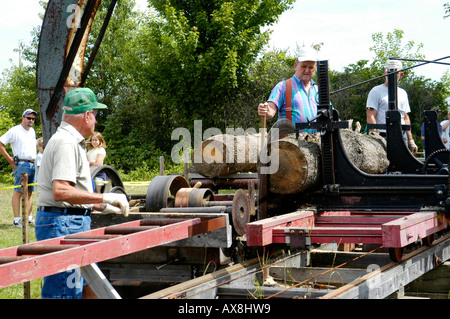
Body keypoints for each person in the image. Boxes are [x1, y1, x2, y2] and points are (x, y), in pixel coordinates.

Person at [35, 87, 129, 299]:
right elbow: (61, 191)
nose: (96, 121)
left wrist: (101, 206)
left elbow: (72, 194)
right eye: (95, 115)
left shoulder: (70, 141)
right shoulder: (67, 143)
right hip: (63, 223)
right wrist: (105, 196)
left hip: (69, 220)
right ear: (87, 115)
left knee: (83, 287)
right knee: (63, 292)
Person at [258, 47, 318, 132]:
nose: (307, 70)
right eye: (304, 66)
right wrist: (266, 110)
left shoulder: (318, 90)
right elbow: (270, 110)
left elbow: (332, 114)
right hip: (291, 143)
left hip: (316, 143)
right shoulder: (283, 87)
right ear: (295, 65)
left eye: (311, 67)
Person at [366, 59, 418, 153]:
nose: (389, 75)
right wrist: (376, 136)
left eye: (394, 73)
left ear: (401, 75)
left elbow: (405, 117)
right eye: (388, 72)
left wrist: (410, 140)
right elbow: (370, 115)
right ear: (384, 72)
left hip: (401, 137)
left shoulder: (403, 93)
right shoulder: (376, 91)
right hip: (382, 136)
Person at [0, 109, 37, 228]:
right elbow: (1, 143)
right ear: (23, 118)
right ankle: (17, 220)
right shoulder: (15, 130)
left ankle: (29, 218)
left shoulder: (32, 131)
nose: (31, 120)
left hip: (33, 163)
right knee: (18, 192)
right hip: (21, 164)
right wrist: (10, 160)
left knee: (30, 191)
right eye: (29, 118)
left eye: (33, 119)